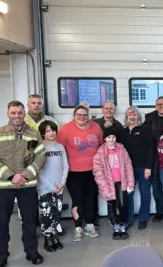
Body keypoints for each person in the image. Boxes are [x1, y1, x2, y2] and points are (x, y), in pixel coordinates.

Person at [0, 100, 47, 266]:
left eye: (20, 112)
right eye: (13, 113)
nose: (17, 116)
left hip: (27, 185)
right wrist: (11, 176)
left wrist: (25, 175)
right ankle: (0, 255)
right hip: (3, 186)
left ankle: (32, 251)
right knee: (2, 221)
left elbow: (41, 156)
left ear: (24, 113)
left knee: (29, 219)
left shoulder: (34, 133)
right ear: (8, 113)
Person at [57, 102, 103, 242]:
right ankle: (78, 227)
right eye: (79, 115)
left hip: (93, 171)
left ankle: (89, 225)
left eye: (84, 115)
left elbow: (101, 145)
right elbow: (60, 150)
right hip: (74, 172)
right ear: (74, 116)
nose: (82, 117)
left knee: (90, 198)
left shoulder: (96, 128)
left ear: (88, 116)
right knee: (78, 199)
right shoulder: (65, 130)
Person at [24, 94, 63, 235]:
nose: (36, 105)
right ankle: (31, 225)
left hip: (47, 158)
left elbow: (56, 137)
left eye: (39, 103)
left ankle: (53, 224)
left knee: (47, 194)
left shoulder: (50, 120)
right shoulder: (22, 120)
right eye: (33, 103)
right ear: (28, 105)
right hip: (27, 160)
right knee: (29, 196)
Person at [93, 127, 135, 240]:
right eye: (108, 137)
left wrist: (130, 184)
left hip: (121, 183)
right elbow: (98, 172)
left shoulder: (121, 149)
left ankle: (123, 227)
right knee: (111, 207)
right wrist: (105, 189)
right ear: (105, 139)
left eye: (113, 137)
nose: (111, 140)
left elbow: (128, 166)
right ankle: (116, 228)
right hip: (109, 185)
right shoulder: (100, 153)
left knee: (122, 206)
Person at [120, 106, 154, 230]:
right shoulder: (123, 131)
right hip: (128, 169)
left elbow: (150, 149)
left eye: (134, 115)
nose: (132, 117)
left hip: (143, 167)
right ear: (126, 117)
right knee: (129, 194)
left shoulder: (144, 129)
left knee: (145, 192)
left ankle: (143, 218)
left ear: (138, 117)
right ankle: (129, 219)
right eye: (130, 115)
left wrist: (148, 167)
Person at [37, 121, 69, 253]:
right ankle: (47, 238)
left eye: (53, 130)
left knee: (56, 212)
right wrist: (51, 186)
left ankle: (55, 235)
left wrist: (62, 182)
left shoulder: (60, 147)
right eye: (48, 130)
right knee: (46, 214)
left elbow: (66, 165)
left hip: (59, 186)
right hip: (45, 188)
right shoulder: (40, 148)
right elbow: (38, 171)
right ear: (43, 133)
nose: (51, 133)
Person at [144, 96, 163, 222]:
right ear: (155, 105)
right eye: (159, 104)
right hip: (154, 158)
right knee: (156, 188)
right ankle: (160, 212)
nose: (162, 106)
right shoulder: (149, 118)